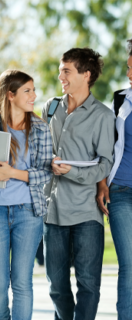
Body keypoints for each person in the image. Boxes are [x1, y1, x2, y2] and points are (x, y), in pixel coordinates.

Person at [42, 48, 115, 320]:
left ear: (86, 75)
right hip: (53, 210)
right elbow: (41, 149)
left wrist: (70, 171)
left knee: (88, 285)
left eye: (66, 71)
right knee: (57, 288)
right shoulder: (50, 108)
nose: (60, 75)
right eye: (61, 70)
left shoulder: (102, 116)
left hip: (86, 212)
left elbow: (105, 164)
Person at [0, 69, 52, 320]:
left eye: (33, 90)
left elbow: (46, 172)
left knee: (21, 283)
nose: (34, 95)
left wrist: (12, 173)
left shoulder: (41, 128)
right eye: (27, 91)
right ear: (10, 95)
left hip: (28, 212)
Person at [97, 38, 132, 320]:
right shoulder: (122, 98)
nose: (129, 75)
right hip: (120, 188)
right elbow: (110, 145)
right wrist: (102, 182)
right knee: (129, 265)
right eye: (129, 68)